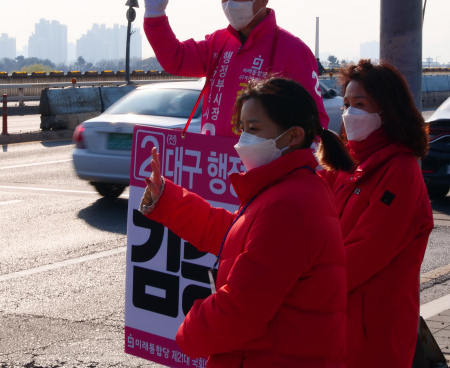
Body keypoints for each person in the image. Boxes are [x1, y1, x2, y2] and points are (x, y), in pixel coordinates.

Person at [139, 77, 354, 368]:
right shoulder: (289, 188)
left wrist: (189, 330)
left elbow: (241, 309)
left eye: (254, 129)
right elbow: (232, 236)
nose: (243, 140)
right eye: (242, 128)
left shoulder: (287, 204)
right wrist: (167, 198)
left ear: (293, 136)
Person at [318, 60, 434, 368]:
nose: (349, 113)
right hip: (336, 320)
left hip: (375, 332)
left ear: (387, 109)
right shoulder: (347, 162)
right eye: (346, 104)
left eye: (360, 104)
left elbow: (365, 252)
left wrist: (302, 283)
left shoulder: (401, 172)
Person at [144, 0, 328, 137]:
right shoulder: (218, 43)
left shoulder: (293, 51)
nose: (229, 4)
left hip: (263, 165)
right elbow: (176, 58)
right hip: (213, 161)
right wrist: (155, 16)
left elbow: (315, 120)